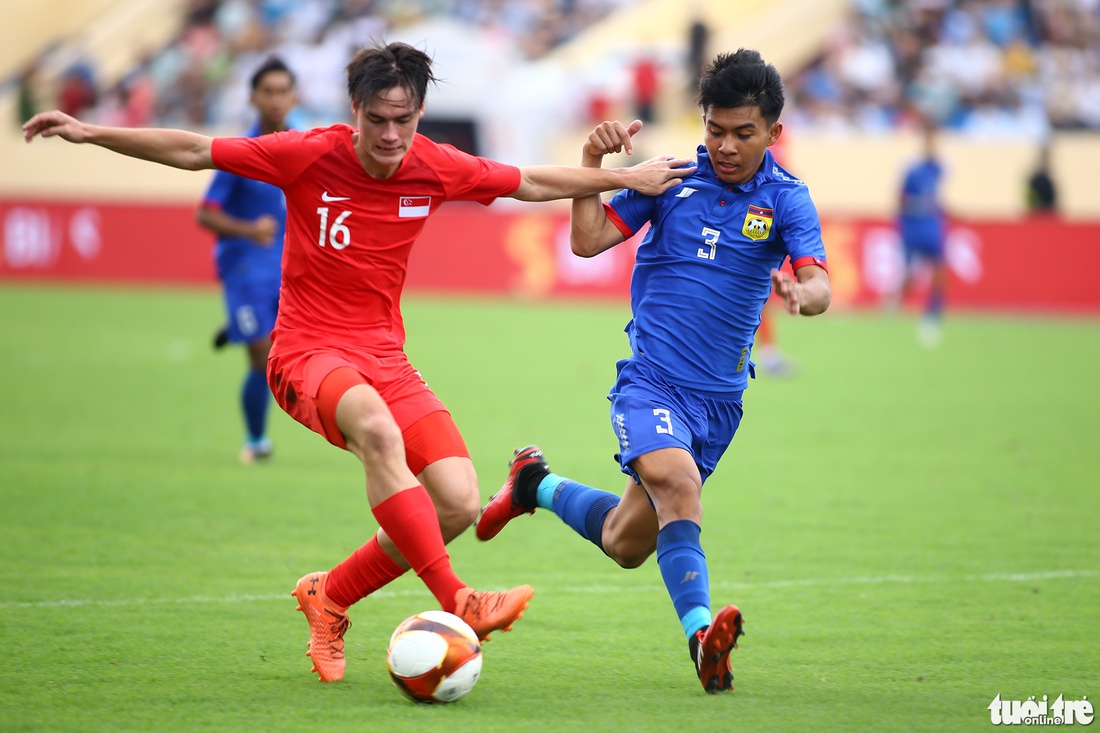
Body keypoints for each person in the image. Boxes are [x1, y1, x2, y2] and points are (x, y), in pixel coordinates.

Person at [23, 41, 693, 685]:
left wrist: (623, 178)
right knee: (376, 428)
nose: (391, 135)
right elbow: (197, 150)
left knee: (457, 502)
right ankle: (459, 599)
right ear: (354, 110)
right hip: (306, 352)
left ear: (419, 115)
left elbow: (531, 181)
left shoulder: (434, 164)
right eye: (377, 120)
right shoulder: (308, 153)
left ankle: (330, 594)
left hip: (384, 354)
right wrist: (89, 132)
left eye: (404, 120)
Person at [476, 49, 830, 694]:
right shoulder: (667, 179)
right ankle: (702, 641)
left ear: (773, 133)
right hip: (651, 383)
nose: (725, 146)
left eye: (743, 133)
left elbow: (818, 283)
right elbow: (586, 243)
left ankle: (535, 485)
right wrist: (595, 167)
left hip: (719, 403)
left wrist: (803, 295)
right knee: (678, 484)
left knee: (626, 542)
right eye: (714, 129)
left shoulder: (787, 200)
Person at [197, 56, 296, 464]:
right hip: (243, 267)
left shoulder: (301, 150)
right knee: (261, 357)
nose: (276, 99)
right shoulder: (240, 152)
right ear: (254, 96)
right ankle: (256, 443)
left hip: (285, 270)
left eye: (283, 91)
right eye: (267, 91)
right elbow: (206, 212)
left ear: (294, 96)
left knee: (287, 352)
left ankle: (237, 323)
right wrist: (248, 230)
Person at [893, 122, 947, 348]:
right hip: (914, 227)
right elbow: (901, 200)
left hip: (932, 227)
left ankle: (932, 313)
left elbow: (936, 197)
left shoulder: (939, 169)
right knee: (910, 274)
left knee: (939, 271)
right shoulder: (913, 171)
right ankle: (896, 306)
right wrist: (917, 207)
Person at [1025, 145, 1057, 216]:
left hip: (1047, 212)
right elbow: (1030, 197)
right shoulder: (1036, 180)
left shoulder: (1047, 180)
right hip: (1038, 213)